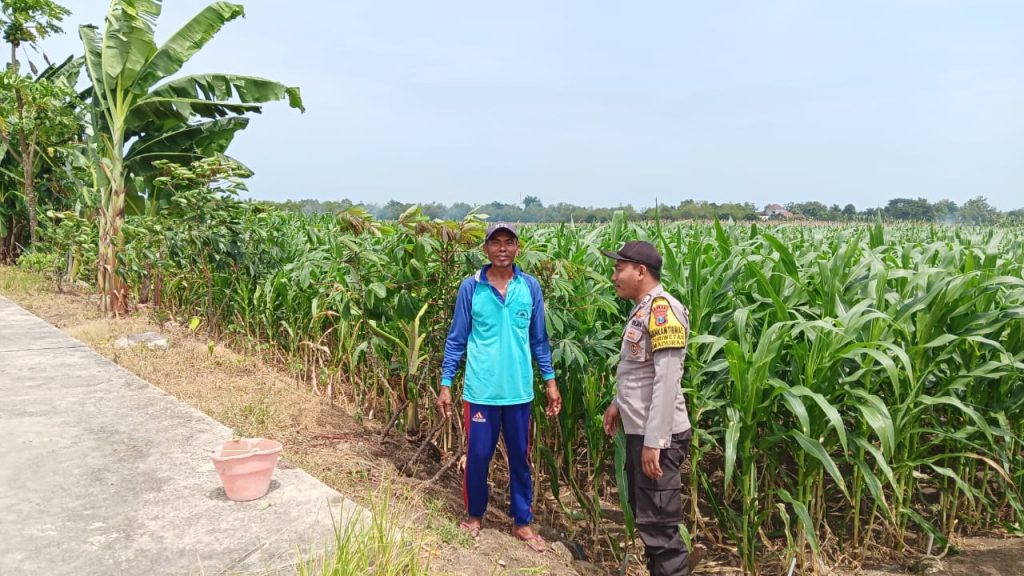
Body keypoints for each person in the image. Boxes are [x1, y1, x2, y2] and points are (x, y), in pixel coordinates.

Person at [437, 222, 562, 552]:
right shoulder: (471, 288)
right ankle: (474, 516)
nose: (503, 248)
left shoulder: (530, 287)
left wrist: (550, 382)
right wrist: (446, 383)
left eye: (509, 242)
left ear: (517, 248)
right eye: (496, 242)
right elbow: (456, 339)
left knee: (520, 459)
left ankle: (522, 522)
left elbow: (539, 340)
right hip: (480, 392)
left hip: (519, 392)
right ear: (486, 249)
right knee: (478, 456)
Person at [601, 240, 694, 576]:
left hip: (658, 437)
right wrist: (618, 405)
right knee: (649, 523)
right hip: (642, 430)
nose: (614, 276)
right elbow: (640, 371)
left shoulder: (663, 311)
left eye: (619, 268)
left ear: (640, 271)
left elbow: (667, 380)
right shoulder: (642, 309)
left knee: (660, 530)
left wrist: (655, 441)